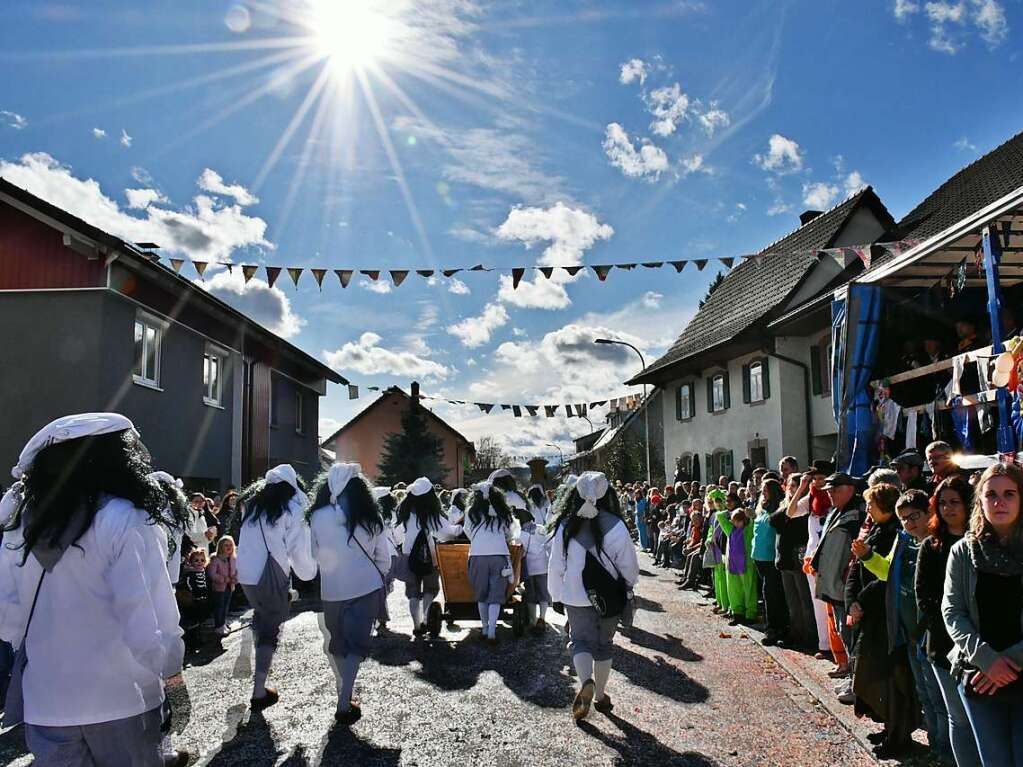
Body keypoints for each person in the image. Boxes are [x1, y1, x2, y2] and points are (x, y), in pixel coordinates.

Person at [0, 413, 185, 766]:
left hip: (47, 702)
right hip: (122, 700)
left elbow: (7, 621)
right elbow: (148, 626)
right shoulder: (125, 517)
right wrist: (172, 678)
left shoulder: (20, 525)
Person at [859, 490, 954, 764]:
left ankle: (947, 755)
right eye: (903, 519)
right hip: (908, 633)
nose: (909, 523)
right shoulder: (903, 541)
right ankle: (936, 750)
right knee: (926, 697)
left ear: (929, 514)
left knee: (941, 702)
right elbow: (888, 572)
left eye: (915, 516)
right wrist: (867, 556)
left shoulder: (939, 546)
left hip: (932, 637)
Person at [943, 463, 1023, 767]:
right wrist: (987, 659)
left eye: (1009, 494)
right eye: (991, 495)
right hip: (980, 676)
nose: (999, 502)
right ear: (980, 500)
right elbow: (952, 611)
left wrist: (1010, 662)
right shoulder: (964, 552)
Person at [548, 471, 639, 720]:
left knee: (579, 641)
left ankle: (585, 681)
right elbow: (629, 565)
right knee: (604, 645)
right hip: (609, 596)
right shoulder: (617, 525)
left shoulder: (566, 525)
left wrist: (556, 594)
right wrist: (628, 586)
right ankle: (599, 696)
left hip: (575, 594)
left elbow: (556, 564)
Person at [308, 463, 391, 725]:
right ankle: (345, 699)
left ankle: (346, 693)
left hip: (331, 590)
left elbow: (314, 555)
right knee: (357, 644)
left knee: (338, 643)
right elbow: (384, 559)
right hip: (365, 587)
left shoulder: (316, 516)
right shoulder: (371, 517)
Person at [236, 464, 318, 710]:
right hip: (271, 575)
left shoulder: (252, 506)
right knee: (271, 629)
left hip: (247, 575)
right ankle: (259, 690)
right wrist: (309, 572)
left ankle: (261, 683)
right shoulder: (290, 507)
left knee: (264, 621)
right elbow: (296, 548)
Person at [917, 477, 982, 767]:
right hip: (943, 645)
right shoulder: (931, 547)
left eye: (954, 501)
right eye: (942, 503)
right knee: (957, 715)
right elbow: (925, 597)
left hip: (982, 646)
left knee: (981, 718)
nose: (947, 508)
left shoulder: (984, 543)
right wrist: (954, 630)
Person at [846, 483, 914, 757]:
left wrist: (861, 600)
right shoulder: (874, 530)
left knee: (889, 677)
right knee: (873, 673)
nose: (869, 509)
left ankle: (898, 735)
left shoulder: (893, 534)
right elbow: (858, 566)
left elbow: (885, 576)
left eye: (873, 504)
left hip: (884, 614)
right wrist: (852, 599)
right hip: (871, 615)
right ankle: (888, 727)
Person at [810, 472, 864, 682]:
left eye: (834, 490)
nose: (830, 494)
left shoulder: (856, 515)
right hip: (835, 585)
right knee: (844, 632)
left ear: (849, 489)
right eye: (829, 490)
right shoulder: (837, 512)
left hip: (846, 587)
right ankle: (852, 679)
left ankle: (856, 683)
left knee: (851, 636)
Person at [396, 477, 462, 637]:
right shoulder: (432, 514)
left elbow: (397, 535)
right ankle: (426, 619)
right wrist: (460, 528)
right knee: (430, 589)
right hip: (430, 557)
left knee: (412, 592)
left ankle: (416, 626)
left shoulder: (404, 511)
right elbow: (446, 533)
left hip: (408, 556)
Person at [464, 482, 516, 643]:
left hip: (478, 555)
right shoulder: (503, 512)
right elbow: (510, 533)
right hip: (499, 555)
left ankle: (485, 628)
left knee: (482, 594)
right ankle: (493, 631)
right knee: (495, 595)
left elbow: (467, 530)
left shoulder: (470, 512)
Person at [773, 473, 816, 650]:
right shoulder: (784, 504)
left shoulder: (804, 504)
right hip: (784, 558)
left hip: (798, 558)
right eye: (790, 486)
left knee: (804, 601)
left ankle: (810, 637)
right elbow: (774, 521)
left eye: (794, 485)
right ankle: (796, 634)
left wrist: (799, 491)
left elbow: (787, 517)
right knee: (792, 602)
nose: (790, 488)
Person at [752, 479, 787, 645]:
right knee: (767, 594)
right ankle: (771, 626)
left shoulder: (778, 507)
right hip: (759, 556)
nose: (763, 492)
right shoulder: (762, 508)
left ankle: (774, 629)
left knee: (772, 594)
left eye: (766, 489)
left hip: (771, 556)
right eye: (762, 489)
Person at [718, 494, 757, 625]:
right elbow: (720, 517)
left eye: (738, 520)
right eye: (734, 520)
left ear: (744, 520)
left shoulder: (749, 529)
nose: (735, 523)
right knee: (734, 590)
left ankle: (750, 614)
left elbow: (752, 520)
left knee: (749, 589)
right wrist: (730, 510)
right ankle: (737, 613)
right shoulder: (731, 530)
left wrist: (745, 511)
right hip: (732, 564)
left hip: (747, 564)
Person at [517, 499, 552, 635]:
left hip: (530, 568)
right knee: (544, 594)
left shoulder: (520, 534)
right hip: (543, 566)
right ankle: (542, 619)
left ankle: (532, 622)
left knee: (531, 595)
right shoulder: (541, 529)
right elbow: (549, 544)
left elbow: (520, 552)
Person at [208, 535, 238, 637]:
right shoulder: (216, 559)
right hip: (219, 588)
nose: (229, 547)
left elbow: (236, 571)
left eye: (230, 545)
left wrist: (235, 579)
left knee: (225, 606)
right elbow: (212, 574)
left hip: (230, 586)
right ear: (221, 546)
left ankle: (222, 624)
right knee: (219, 607)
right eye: (226, 545)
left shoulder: (233, 559)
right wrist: (224, 579)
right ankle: (218, 626)